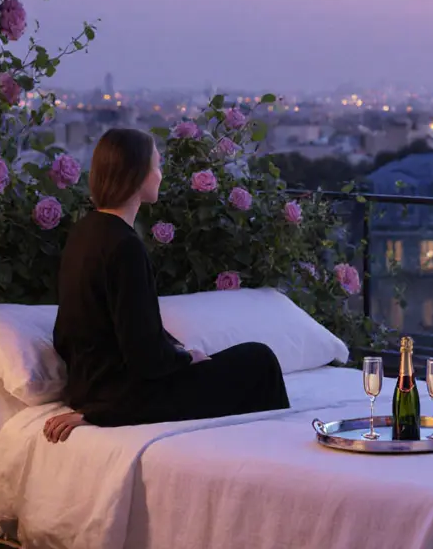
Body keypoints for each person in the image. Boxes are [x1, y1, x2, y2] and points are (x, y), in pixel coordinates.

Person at [43, 128, 290, 442]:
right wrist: (184, 359)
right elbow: (143, 354)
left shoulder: (84, 233)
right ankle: (272, 449)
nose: (160, 175)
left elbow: (76, 331)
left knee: (233, 361)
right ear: (136, 174)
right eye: (156, 166)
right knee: (259, 361)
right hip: (122, 397)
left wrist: (182, 353)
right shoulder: (123, 245)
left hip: (89, 387)